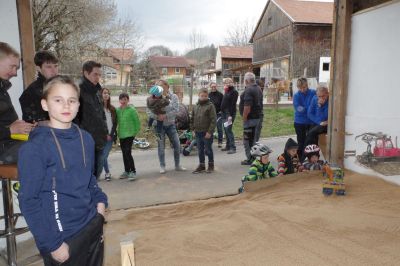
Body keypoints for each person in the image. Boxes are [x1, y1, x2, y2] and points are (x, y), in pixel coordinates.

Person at [17, 75, 108, 266]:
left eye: (72, 100)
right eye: (58, 100)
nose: (66, 106)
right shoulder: (34, 148)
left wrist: (100, 203)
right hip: (62, 238)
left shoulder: (86, 139)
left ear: (78, 104)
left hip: (91, 224)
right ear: (45, 104)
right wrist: (52, 244)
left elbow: (89, 179)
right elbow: (28, 201)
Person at [0, 42, 35, 164]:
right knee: (43, 148)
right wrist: (10, 130)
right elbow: (9, 129)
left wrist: (23, 127)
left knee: (49, 138)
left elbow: (11, 122)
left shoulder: (2, 90)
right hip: (3, 148)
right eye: (12, 66)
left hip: (9, 143)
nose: (15, 73)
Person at [75, 60, 108, 179]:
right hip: (85, 142)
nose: (98, 77)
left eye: (100, 75)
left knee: (96, 175)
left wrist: (106, 131)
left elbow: (101, 114)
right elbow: (74, 119)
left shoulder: (97, 90)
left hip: (99, 140)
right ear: (85, 73)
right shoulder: (77, 90)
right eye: (95, 74)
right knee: (86, 178)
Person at [148, 79, 186, 174]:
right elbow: (148, 111)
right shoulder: (152, 97)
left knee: (177, 145)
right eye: (157, 86)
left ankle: (177, 165)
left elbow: (176, 109)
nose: (159, 88)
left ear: (167, 87)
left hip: (171, 125)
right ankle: (162, 166)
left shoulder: (173, 97)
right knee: (161, 147)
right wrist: (157, 116)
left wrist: (165, 115)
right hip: (158, 126)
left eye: (161, 86)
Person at [19, 50, 58, 123]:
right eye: (48, 67)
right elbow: (33, 123)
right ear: (38, 68)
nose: (54, 70)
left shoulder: (63, 87)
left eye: (55, 66)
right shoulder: (30, 93)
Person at [191, 88, 217, 174]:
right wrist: (193, 130)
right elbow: (192, 119)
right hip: (198, 132)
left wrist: (210, 132)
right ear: (199, 96)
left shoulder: (210, 106)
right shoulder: (196, 106)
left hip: (206, 133)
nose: (204, 97)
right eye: (202, 96)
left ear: (207, 96)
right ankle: (201, 165)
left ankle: (211, 165)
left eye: (205, 96)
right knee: (200, 150)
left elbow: (213, 120)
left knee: (208, 149)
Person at [116, 93, 140, 181]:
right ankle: (126, 171)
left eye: (125, 99)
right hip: (121, 135)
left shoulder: (132, 110)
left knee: (127, 152)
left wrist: (134, 133)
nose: (123, 101)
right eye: (121, 99)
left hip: (130, 135)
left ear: (128, 100)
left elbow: (137, 123)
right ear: (119, 101)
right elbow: (116, 122)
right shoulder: (117, 110)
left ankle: (133, 171)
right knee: (124, 153)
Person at [239, 72, 262, 165]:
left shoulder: (249, 90)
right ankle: (254, 157)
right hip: (257, 117)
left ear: (246, 81)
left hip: (250, 119)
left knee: (247, 141)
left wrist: (244, 118)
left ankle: (250, 159)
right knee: (254, 139)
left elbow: (247, 107)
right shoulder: (258, 88)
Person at [293, 77, 316, 161]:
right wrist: (309, 108)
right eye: (300, 88)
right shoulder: (296, 95)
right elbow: (298, 108)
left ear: (307, 85)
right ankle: (301, 160)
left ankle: (313, 159)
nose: (302, 90)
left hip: (311, 122)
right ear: (298, 87)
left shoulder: (313, 92)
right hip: (299, 122)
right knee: (301, 141)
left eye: (304, 87)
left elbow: (316, 104)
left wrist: (308, 109)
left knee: (311, 141)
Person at [101, 88, 117, 181]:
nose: (106, 94)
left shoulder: (112, 109)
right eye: (104, 93)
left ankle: (105, 172)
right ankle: (107, 173)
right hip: (101, 137)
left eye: (107, 93)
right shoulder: (98, 109)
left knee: (103, 156)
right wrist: (105, 134)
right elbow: (98, 124)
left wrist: (110, 134)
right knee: (102, 156)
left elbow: (115, 124)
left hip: (111, 136)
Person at [220, 78, 238, 154]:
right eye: (225, 82)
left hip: (229, 114)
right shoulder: (227, 91)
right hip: (224, 113)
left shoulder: (234, 92)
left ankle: (233, 147)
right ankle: (228, 146)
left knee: (228, 130)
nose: (227, 83)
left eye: (229, 82)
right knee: (226, 129)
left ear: (232, 82)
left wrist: (229, 115)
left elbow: (232, 104)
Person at [208, 82, 223, 148]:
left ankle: (220, 142)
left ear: (216, 87)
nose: (213, 88)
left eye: (214, 86)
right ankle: (210, 142)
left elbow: (223, 104)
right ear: (210, 87)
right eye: (212, 87)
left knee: (219, 128)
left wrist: (221, 110)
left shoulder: (220, 95)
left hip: (218, 114)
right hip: (211, 114)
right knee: (211, 129)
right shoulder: (209, 95)